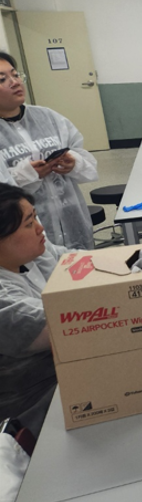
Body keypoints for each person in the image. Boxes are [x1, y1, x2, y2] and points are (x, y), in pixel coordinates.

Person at [0, 52, 98, 250]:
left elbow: (88, 163)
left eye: (15, 75)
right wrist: (25, 175)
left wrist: (74, 163)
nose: (15, 82)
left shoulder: (48, 117)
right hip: (27, 238)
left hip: (74, 222)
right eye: (2, 79)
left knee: (81, 264)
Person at [0, 184, 63, 436]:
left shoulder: (31, 255)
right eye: (29, 224)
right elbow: (69, 325)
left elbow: (78, 262)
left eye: (35, 217)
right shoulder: (5, 305)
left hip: (59, 381)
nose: (40, 229)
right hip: (30, 411)